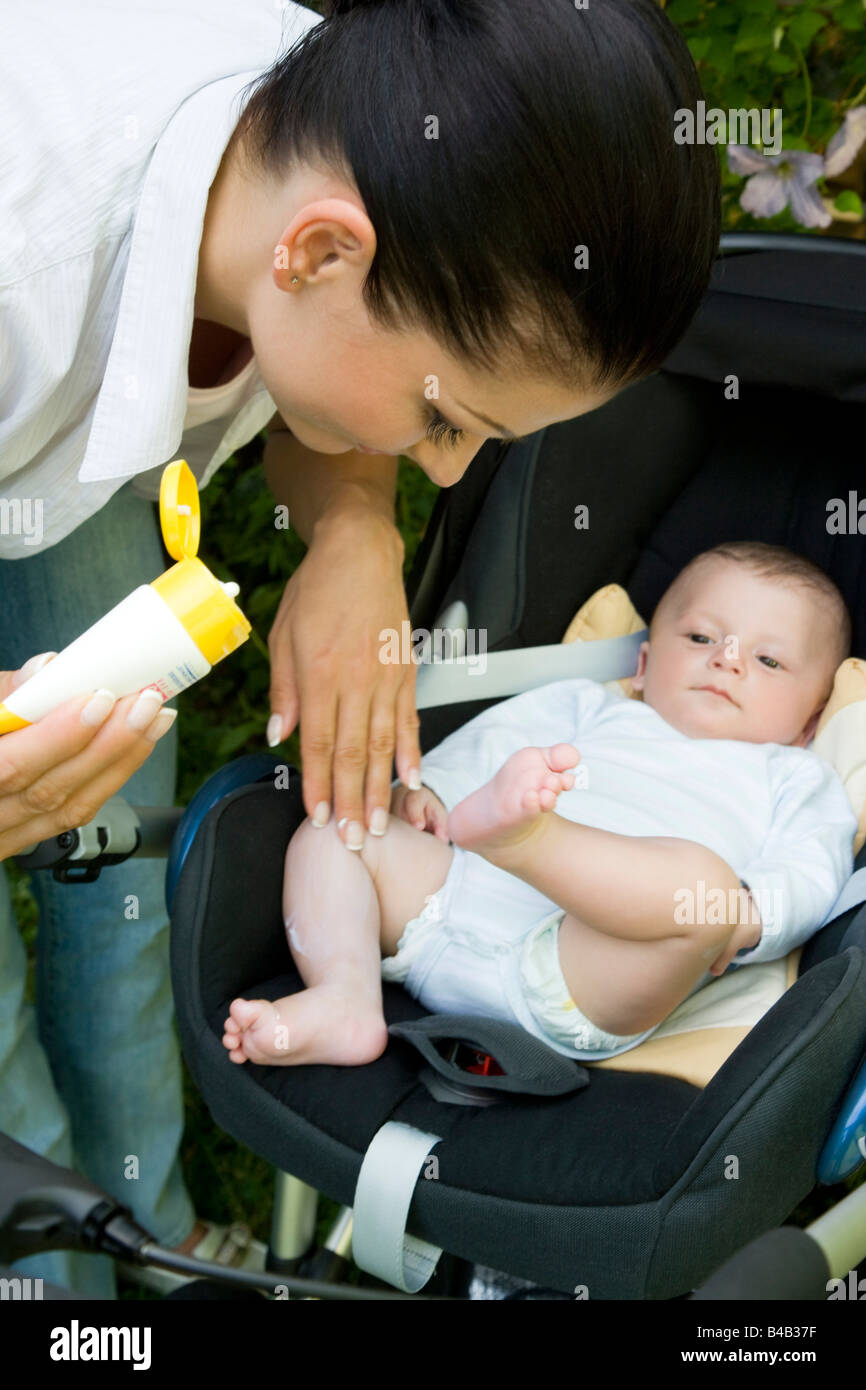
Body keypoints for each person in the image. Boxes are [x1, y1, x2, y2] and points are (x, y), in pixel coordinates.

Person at [1, 0, 720, 1292]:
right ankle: (41, 1268)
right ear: (319, 249)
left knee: (102, 847)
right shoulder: (26, 271)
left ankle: (142, 1235)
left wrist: (350, 530)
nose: (444, 467)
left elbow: (332, 389)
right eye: (445, 419)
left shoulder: (336, 119)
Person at [222, 543, 858, 1067]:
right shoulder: (589, 706)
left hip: (580, 976)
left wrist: (748, 918)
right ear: (640, 664)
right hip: (447, 899)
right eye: (699, 636)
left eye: (769, 659)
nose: (726, 659)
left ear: (809, 722)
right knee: (341, 827)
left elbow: (811, 875)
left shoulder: (797, 777)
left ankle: (531, 842)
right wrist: (433, 792)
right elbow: (491, 743)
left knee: (705, 891)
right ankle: (345, 995)